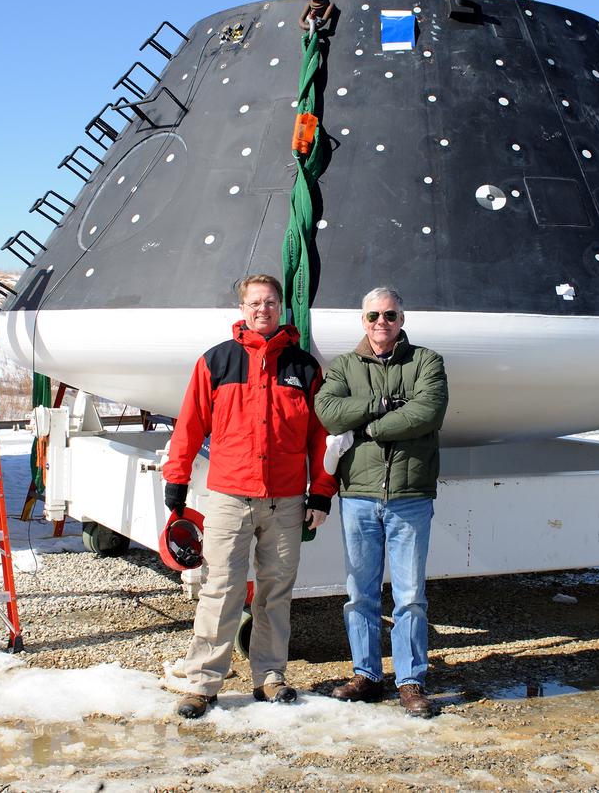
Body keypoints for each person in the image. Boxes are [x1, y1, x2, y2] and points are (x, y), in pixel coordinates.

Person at [162, 273, 336, 719]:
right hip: (230, 498)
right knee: (220, 588)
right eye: (255, 302)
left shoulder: (303, 368)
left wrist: (321, 492)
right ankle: (203, 683)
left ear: (281, 307)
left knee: (276, 591)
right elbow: (190, 424)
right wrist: (176, 478)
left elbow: (321, 437)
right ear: (242, 309)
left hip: (286, 500)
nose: (263, 309)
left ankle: (270, 676)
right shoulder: (216, 362)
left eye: (271, 302)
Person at [314, 286, 448, 718]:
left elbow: (427, 412)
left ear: (401, 320)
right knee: (360, 594)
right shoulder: (345, 366)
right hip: (358, 495)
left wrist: (369, 428)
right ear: (363, 320)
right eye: (373, 316)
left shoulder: (426, 361)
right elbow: (328, 412)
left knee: (409, 597)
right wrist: (382, 403)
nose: (381, 323)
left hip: (409, 495)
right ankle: (367, 675)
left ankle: (410, 681)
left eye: (390, 315)